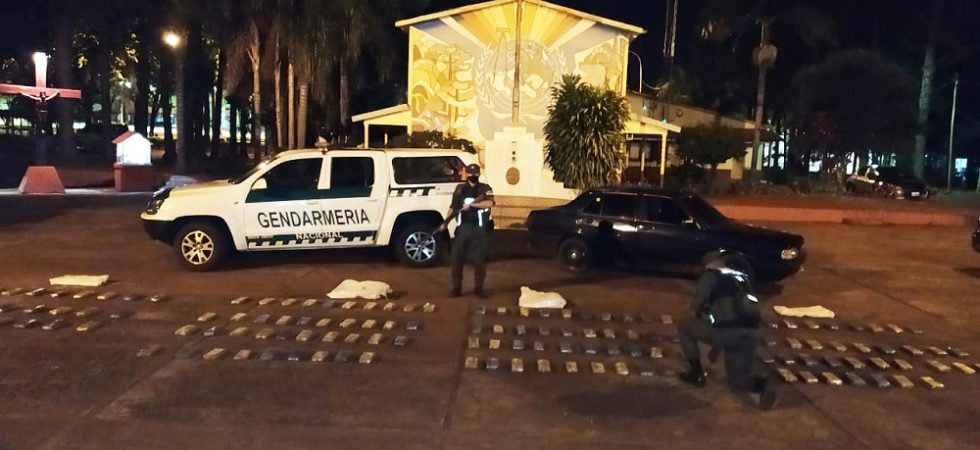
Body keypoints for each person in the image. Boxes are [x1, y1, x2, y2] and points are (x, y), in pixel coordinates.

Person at [677, 258, 778, 410]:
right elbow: (735, 314)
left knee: (684, 326)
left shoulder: (710, 277)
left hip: (728, 333)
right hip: (751, 334)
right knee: (738, 380)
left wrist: (700, 316)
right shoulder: (742, 279)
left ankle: (696, 373)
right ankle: (762, 385)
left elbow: (695, 309)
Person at [438, 163, 495, 298]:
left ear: (478, 174)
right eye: (470, 173)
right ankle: (456, 288)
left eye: (475, 173)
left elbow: (490, 203)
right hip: (463, 229)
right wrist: (446, 222)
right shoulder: (460, 189)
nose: (473, 175)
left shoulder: (485, 188)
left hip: (479, 229)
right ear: (466, 174)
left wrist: (472, 205)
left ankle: (479, 289)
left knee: (479, 261)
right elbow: (453, 208)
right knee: (457, 260)